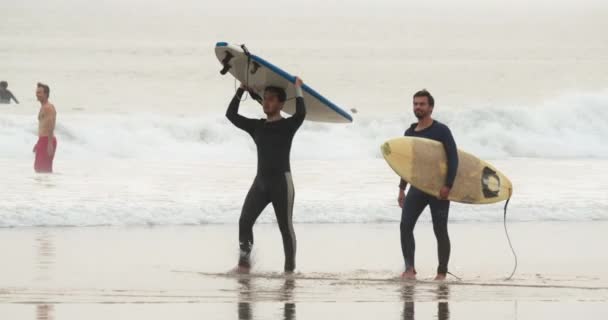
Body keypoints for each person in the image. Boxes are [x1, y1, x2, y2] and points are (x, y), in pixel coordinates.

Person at [226, 77, 306, 274]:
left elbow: (301, 113)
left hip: (281, 183)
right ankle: (244, 265)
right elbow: (231, 115)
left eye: (271, 99)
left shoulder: (288, 126)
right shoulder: (257, 127)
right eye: (265, 98)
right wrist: (241, 91)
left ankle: (289, 271)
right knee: (244, 222)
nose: (266, 102)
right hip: (261, 184)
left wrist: (298, 89)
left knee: (285, 228)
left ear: (280, 104)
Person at [398, 89, 459, 281]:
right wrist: (402, 188)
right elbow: (408, 163)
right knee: (405, 226)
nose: (418, 107)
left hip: (438, 189)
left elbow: (453, 158)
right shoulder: (409, 133)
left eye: (422, 104)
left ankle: (441, 272)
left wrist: (448, 185)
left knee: (439, 230)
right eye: (415, 104)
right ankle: (409, 269)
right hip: (417, 186)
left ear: (431, 107)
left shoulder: (441, 131)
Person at [33, 83, 57, 173]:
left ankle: (47, 186)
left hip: (47, 140)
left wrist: (49, 143)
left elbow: (51, 125)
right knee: (39, 168)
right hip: (43, 140)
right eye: (36, 92)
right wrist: (38, 143)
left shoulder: (48, 107)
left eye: (39, 92)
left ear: (46, 94)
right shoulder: (43, 107)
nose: (37, 94)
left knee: (43, 169)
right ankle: (43, 186)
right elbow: (43, 126)